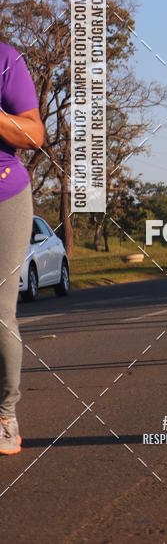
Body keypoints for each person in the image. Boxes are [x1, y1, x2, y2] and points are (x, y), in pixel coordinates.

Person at [0, 43, 44, 456]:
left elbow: (34, 133)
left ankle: (5, 415)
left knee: (0, 311)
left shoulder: (5, 59)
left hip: (4, 196)